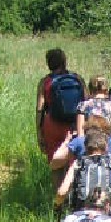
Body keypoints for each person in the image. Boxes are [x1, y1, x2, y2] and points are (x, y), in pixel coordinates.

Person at [36, 49, 85, 187]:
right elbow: (86, 102)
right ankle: (73, 193)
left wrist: (39, 132)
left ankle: (59, 195)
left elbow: (40, 109)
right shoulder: (77, 78)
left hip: (52, 124)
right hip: (74, 125)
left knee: (56, 163)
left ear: (48, 63)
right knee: (74, 161)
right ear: (64, 61)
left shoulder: (45, 82)